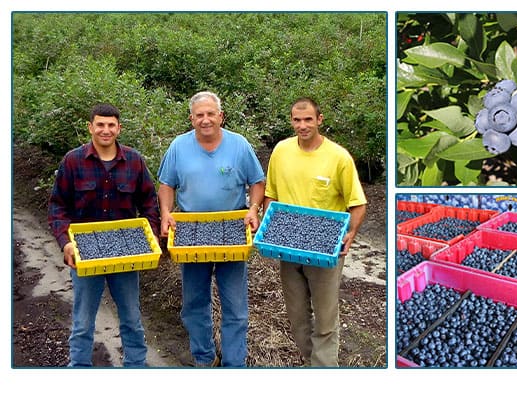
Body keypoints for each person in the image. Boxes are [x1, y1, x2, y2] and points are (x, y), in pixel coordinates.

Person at [47, 103, 160, 367]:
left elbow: (149, 204)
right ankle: (80, 368)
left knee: (131, 317)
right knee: (83, 321)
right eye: (100, 124)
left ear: (119, 128)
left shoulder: (134, 161)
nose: (105, 130)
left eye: (111, 125)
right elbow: (57, 207)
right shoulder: (73, 161)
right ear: (90, 127)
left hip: (126, 252)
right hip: (85, 254)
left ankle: (136, 367)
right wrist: (66, 243)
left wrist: (151, 237)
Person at [157, 91, 265, 367]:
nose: (205, 120)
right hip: (191, 230)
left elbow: (257, 182)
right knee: (194, 303)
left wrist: (253, 209)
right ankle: (204, 358)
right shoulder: (179, 147)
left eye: (210, 114)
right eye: (199, 115)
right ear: (192, 119)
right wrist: (167, 213)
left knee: (235, 305)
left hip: (232, 229)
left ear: (221, 116)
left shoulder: (239, 145)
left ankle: (234, 362)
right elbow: (167, 184)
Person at [263, 97, 367, 367]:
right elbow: (270, 195)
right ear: (291, 121)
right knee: (297, 315)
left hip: (325, 248)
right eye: (297, 120)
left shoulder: (338, 157)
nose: (302, 125)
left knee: (324, 317)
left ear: (319, 120)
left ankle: (324, 369)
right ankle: (312, 361)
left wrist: (351, 233)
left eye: (308, 119)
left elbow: (357, 203)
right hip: (288, 245)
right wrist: (269, 226)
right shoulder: (281, 151)